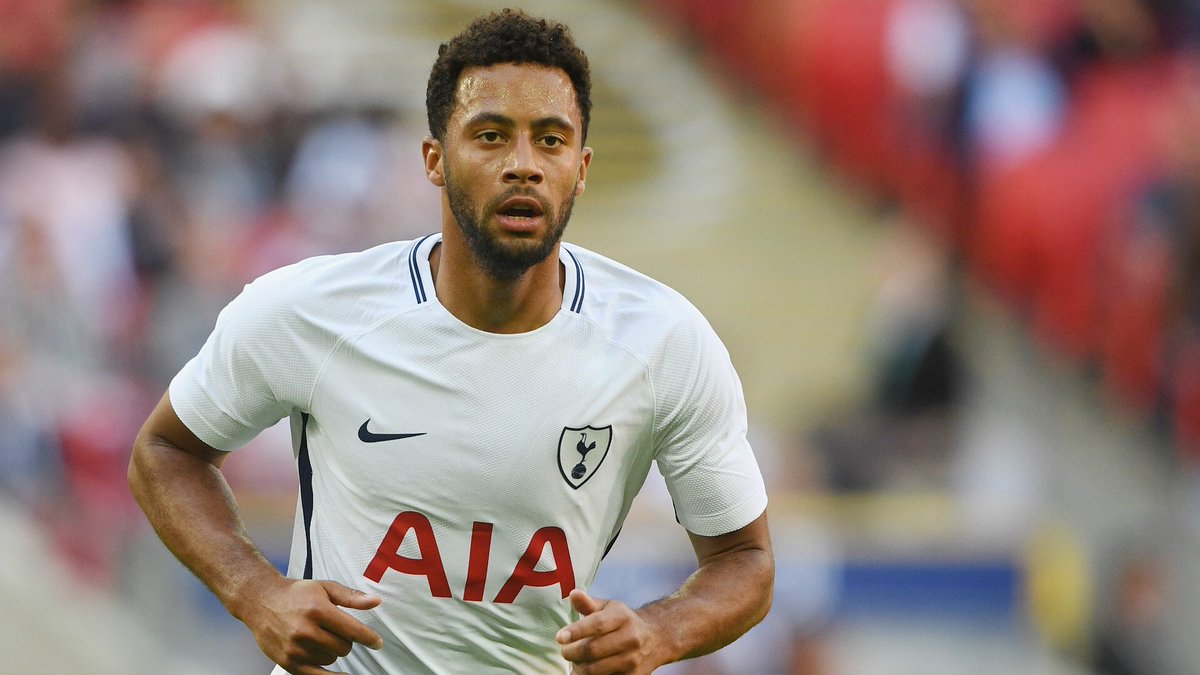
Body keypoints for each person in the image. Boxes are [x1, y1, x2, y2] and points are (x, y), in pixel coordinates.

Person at [128, 8, 773, 674]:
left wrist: (661, 632)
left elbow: (744, 557)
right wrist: (256, 593)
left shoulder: (663, 341)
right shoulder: (312, 311)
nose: (523, 166)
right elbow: (165, 451)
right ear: (435, 159)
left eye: (550, 140)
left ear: (581, 168)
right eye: (491, 136)